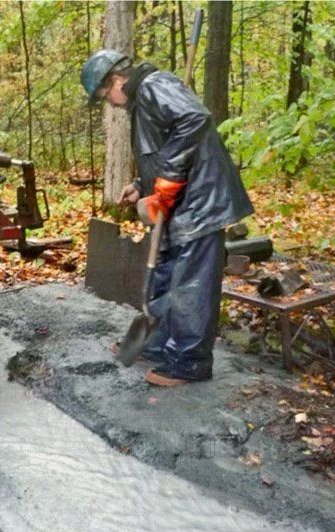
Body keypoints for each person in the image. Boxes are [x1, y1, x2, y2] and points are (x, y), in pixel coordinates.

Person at [81, 49, 254, 387]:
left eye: (105, 96)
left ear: (116, 79)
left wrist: (166, 183)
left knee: (191, 284)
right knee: (164, 276)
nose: (110, 104)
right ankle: (159, 345)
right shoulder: (142, 100)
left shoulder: (153, 86)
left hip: (200, 204)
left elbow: (194, 119)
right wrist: (140, 185)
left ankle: (189, 362)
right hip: (178, 204)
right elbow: (163, 149)